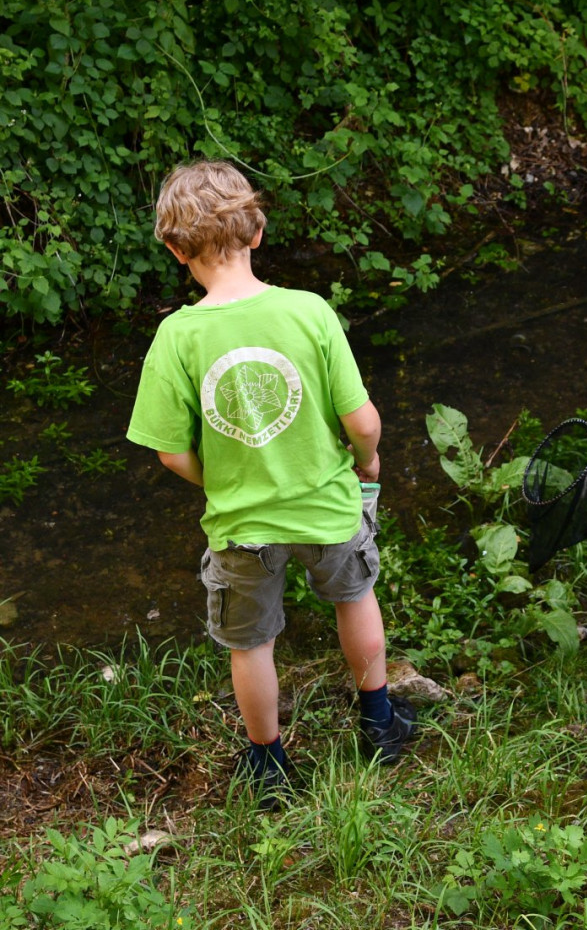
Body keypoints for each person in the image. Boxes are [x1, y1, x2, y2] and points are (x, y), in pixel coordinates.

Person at [126, 160, 415, 808]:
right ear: (257, 232)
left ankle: (268, 763)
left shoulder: (176, 336)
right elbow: (362, 421)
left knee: (251, 643)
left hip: (242, 527)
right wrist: (367, 461)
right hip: (328, 508)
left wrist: (222, 480)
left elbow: (170, 453)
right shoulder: (308, 311)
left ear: (175, 250)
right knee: (355, 598)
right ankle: (379, 722)